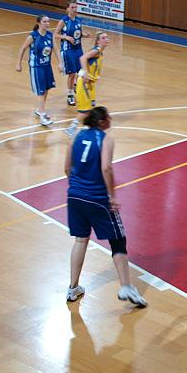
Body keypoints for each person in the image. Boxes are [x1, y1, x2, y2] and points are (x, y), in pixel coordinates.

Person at [64, 106, 147, 307]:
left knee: (80, 240)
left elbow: (66, 168)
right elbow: (106, 168)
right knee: (118, 241)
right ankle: (126, 287)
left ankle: (73, 288)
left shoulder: (76, 136)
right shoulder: (106, 139)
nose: (111, 118)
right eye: (108, 116)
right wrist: (112, 195)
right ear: (102, 122)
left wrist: (77, 187)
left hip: (74, 195)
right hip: (98, 198)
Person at [65, 31, 111, 138]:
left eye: (107, 37)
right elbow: (82, 58)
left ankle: (87, 128)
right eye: (103, 38)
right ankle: (71, 128)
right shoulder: (97, 50)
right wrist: (85, 73)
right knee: (85, 111)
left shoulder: (100, 52)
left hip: (91, 84)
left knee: (91, 108)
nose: (106, 39)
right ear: (98, 41)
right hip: (84, 83)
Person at [16, 15, 57, 126]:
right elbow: (22, 49)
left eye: (48, 21)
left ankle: (39, 110)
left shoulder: (50, 35)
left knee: (47, 89)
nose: (47, 24)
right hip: (36, 67)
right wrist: (18, 63)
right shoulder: (33, 36)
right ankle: (43, 116)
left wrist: (60, 63)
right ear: (39, 23)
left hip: (47, 66)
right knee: (41, 91)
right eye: (45, 21)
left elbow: (55, 49)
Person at [55, 0, 90, 107]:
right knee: (72, 74)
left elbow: (78, 33)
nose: (74, 9)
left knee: (80, 71)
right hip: (68, 50)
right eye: (72, 7)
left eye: (76, 7)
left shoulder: (78, 20)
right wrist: (66, 37)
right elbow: (55, 35)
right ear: (67, 9)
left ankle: (75, 86)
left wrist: (84, 35)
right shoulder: (64, 21)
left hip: (78, 49)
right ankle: (70, 95)